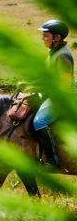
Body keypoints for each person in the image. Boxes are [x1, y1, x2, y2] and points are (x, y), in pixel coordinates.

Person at [33, 19, 71, 169]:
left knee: (39, 122)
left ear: (57, 37)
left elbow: (64, 84)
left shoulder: (63, 56)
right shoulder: (53, 52)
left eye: (45, 35)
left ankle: (52, 162)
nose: (42, 38)